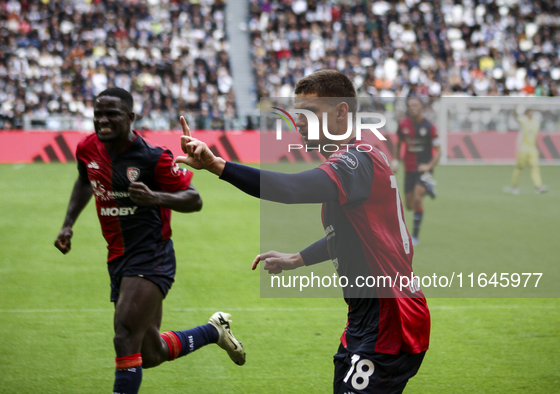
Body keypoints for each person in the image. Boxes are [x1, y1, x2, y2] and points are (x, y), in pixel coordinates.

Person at [176, 70, 430, 394]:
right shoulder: (360, 154)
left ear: (341, 112)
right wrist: (298, 259)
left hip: (391, 319)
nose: (300, 123)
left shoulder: (356, 160)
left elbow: (291, 189)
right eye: (298, 114)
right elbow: (352, 236)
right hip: (366, 318)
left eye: (311, 113)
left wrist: (218, 166)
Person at [54, 87, 245, 394]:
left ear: (130, 117)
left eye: (111, 114)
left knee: (124, 336)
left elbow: (194, 199)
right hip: (117, 256)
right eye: (98, 114)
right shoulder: (87, 148)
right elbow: (84, 180)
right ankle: (213, 332)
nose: (103, 120)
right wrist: (67, 225)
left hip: (151, 255)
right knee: (150, 353)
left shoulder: (153, 157)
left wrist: (155, 197)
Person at [391, 97, 441, 246]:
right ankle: (430, 188)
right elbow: (398, 144)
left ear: (421, 107)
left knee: (418, 199)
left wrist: (429, 166)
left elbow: (438, 151)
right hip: (409, 168)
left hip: (423, 169)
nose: (413, 107)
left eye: (416, 105)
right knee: (409, 205)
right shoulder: (403, 124)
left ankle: (415, 237)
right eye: (410, 105)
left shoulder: (429, 126)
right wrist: (395, 161)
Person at [510, 108, 549, 194]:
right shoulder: (523, 120)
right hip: (523, 148)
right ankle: (515, 186)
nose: (531, 113)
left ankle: (538, 186)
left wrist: (537, 148)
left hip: (532, 148)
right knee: (519, 168)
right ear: (527, 113)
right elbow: (516, 117)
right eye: (530, 112)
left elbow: (535, 137)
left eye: (532, 112)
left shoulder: (536, 123)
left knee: (535, 168)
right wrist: (515, 108)